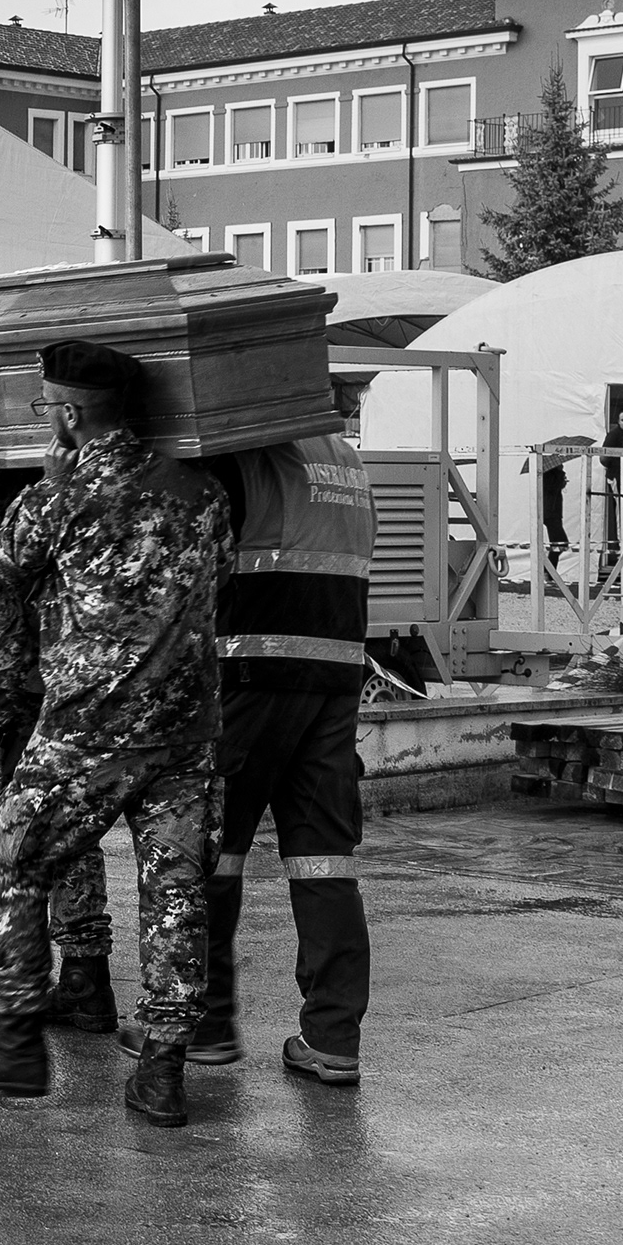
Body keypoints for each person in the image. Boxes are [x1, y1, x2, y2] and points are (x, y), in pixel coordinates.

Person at [0, 341, 231, 1118]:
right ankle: (162, 1071)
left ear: (67, 414)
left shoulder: (61, 497)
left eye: (45, 406)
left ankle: (17, 1039)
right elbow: (217, 577)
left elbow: (0, 567)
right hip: (186, 728)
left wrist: (47, 487)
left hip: (89, 729)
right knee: (175, 894)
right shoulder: (203, 493)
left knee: (9, 853)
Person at [200, 381, 377, 1091]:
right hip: (334, 677)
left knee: (212, 850)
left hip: (251, 672)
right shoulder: (345, 459)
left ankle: (204, 1023)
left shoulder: (246, 452)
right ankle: (332, 1039)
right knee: (324, 859)